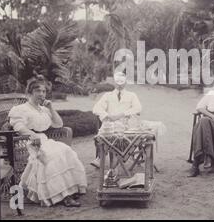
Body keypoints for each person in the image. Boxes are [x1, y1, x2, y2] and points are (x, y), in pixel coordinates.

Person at [8, 75, 87, 207]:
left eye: (44, 91)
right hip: (28, 141)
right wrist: (33, 135)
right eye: (38, 91)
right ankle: (64, 196)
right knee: (52, 156)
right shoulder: (21, 109)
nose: (42, 94)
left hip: (44, 139)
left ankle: (69, 190)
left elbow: (58, 124)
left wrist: (50, 108)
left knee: (65, 151)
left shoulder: (44, 109)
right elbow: (19, 127)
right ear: (30, 92)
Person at [91, 71, 142, 168]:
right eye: (117, 82)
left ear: (126, 82)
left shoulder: (132, 95)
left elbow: (138, 108)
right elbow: (96, 108)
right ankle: (102, 158)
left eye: (122, 82)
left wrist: (123, 114)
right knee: (106, 134)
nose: (119, 85)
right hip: (110, 125)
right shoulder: (107, 96)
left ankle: (110, 164)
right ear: (114, 83)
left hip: (126, 125)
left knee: (118, 136)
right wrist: (107, 115)